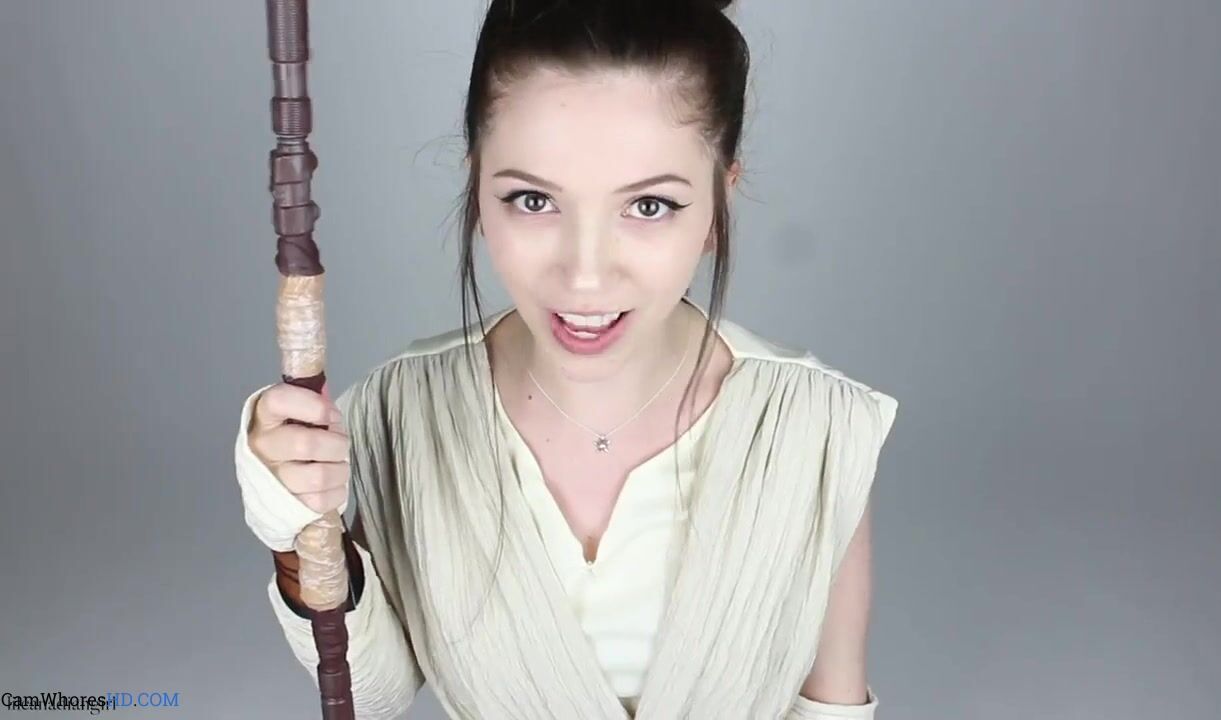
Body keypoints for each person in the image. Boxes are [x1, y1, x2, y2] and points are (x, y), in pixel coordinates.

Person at [234, 0, 899, 717]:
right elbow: (372, 695)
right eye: (531, 200)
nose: (584, 275)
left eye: (649, 206)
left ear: (718, 203)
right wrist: (298, 530)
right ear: (477, 189)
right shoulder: (406, 411)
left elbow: (831, 704)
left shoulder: (817, 427)